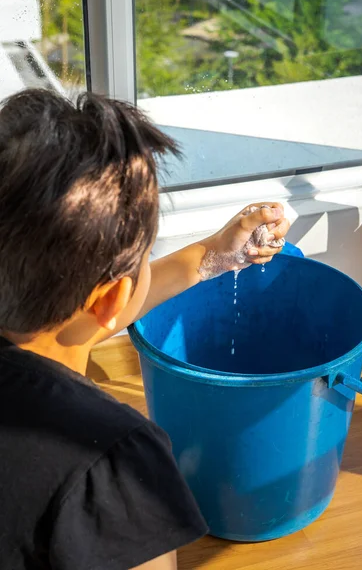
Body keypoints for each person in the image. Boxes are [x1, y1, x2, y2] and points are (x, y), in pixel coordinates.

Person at [0, 89, 290, 570]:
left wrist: (214, 253)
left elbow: (84, 319)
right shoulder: (110, 460)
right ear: (112, 297)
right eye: (145, 259)